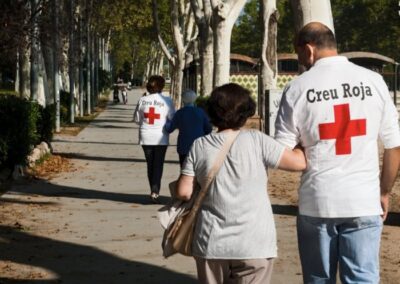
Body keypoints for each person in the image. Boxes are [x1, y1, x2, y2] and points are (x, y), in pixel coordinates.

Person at [274, 22, 400, 283]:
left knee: (319, 279)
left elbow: (282, 154)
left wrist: (308, 148)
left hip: (318, 202)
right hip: (364, 201)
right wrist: (384, 192)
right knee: (363, 279)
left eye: (300, 56)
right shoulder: (374, 81)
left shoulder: (297, 88)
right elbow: (394, 146)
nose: (301, 62)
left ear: (309, 50)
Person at [175, 83, 306, 283]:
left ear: (211, 112)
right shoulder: (258, 140)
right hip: (255, 243)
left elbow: (184, 192)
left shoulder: (199, 145)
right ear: (246, 113)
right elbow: (298, 163)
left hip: (212, 243)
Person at [133, 75, 175, 203]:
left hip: (146, 136)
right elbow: (172, 118)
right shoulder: (167, 100)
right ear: (161, 86)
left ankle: (153, 189)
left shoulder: (143, 100)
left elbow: (136, 119)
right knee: (158, 164)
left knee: (150, 164)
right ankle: (155, 191)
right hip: (161, 137)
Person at [165, 89, 212, 167]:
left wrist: (167, 121)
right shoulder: (201, 112)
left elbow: (169, 129)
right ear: (195, 99)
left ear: (183, 100)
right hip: (199, 147)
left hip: (183, 147)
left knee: (185, 170)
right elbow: (209, 129)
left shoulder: (180, 113)